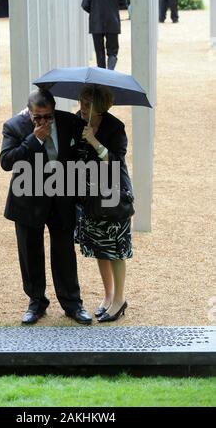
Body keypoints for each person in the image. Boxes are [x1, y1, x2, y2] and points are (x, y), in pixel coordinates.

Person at [0, 89, 92, 325]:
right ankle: (36, 303)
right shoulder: (14, 126)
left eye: (47, 116)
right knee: (30, 254)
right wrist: (35, 139)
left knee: (64, 254)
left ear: (54, 110)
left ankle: (72, 304)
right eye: (37, 117)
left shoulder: (69, 121)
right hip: (28, 200)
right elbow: (6, 161)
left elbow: (80, 153)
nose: (42, 121)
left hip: (62, 199)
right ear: (28, 112)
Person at [74, 86, 133, 323]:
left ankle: (119, 298)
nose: (83, 106)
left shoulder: (115, 127)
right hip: (89, 194)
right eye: (82, 101)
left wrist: (94, 141)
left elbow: (116, 162)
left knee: (117, 248)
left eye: (89, 103)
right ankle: (108, 295)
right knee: (100, 246)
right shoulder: (77, 122)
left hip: (113, 194)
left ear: (101, 105)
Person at [81, 0, 127, 70]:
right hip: (112, 22)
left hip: (96, 22)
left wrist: (94, 12)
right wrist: (113, 8)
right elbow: (123, 3)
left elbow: (84, 5)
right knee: (112, 52)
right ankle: (110, 71)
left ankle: (102, 77)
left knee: (99, 52)